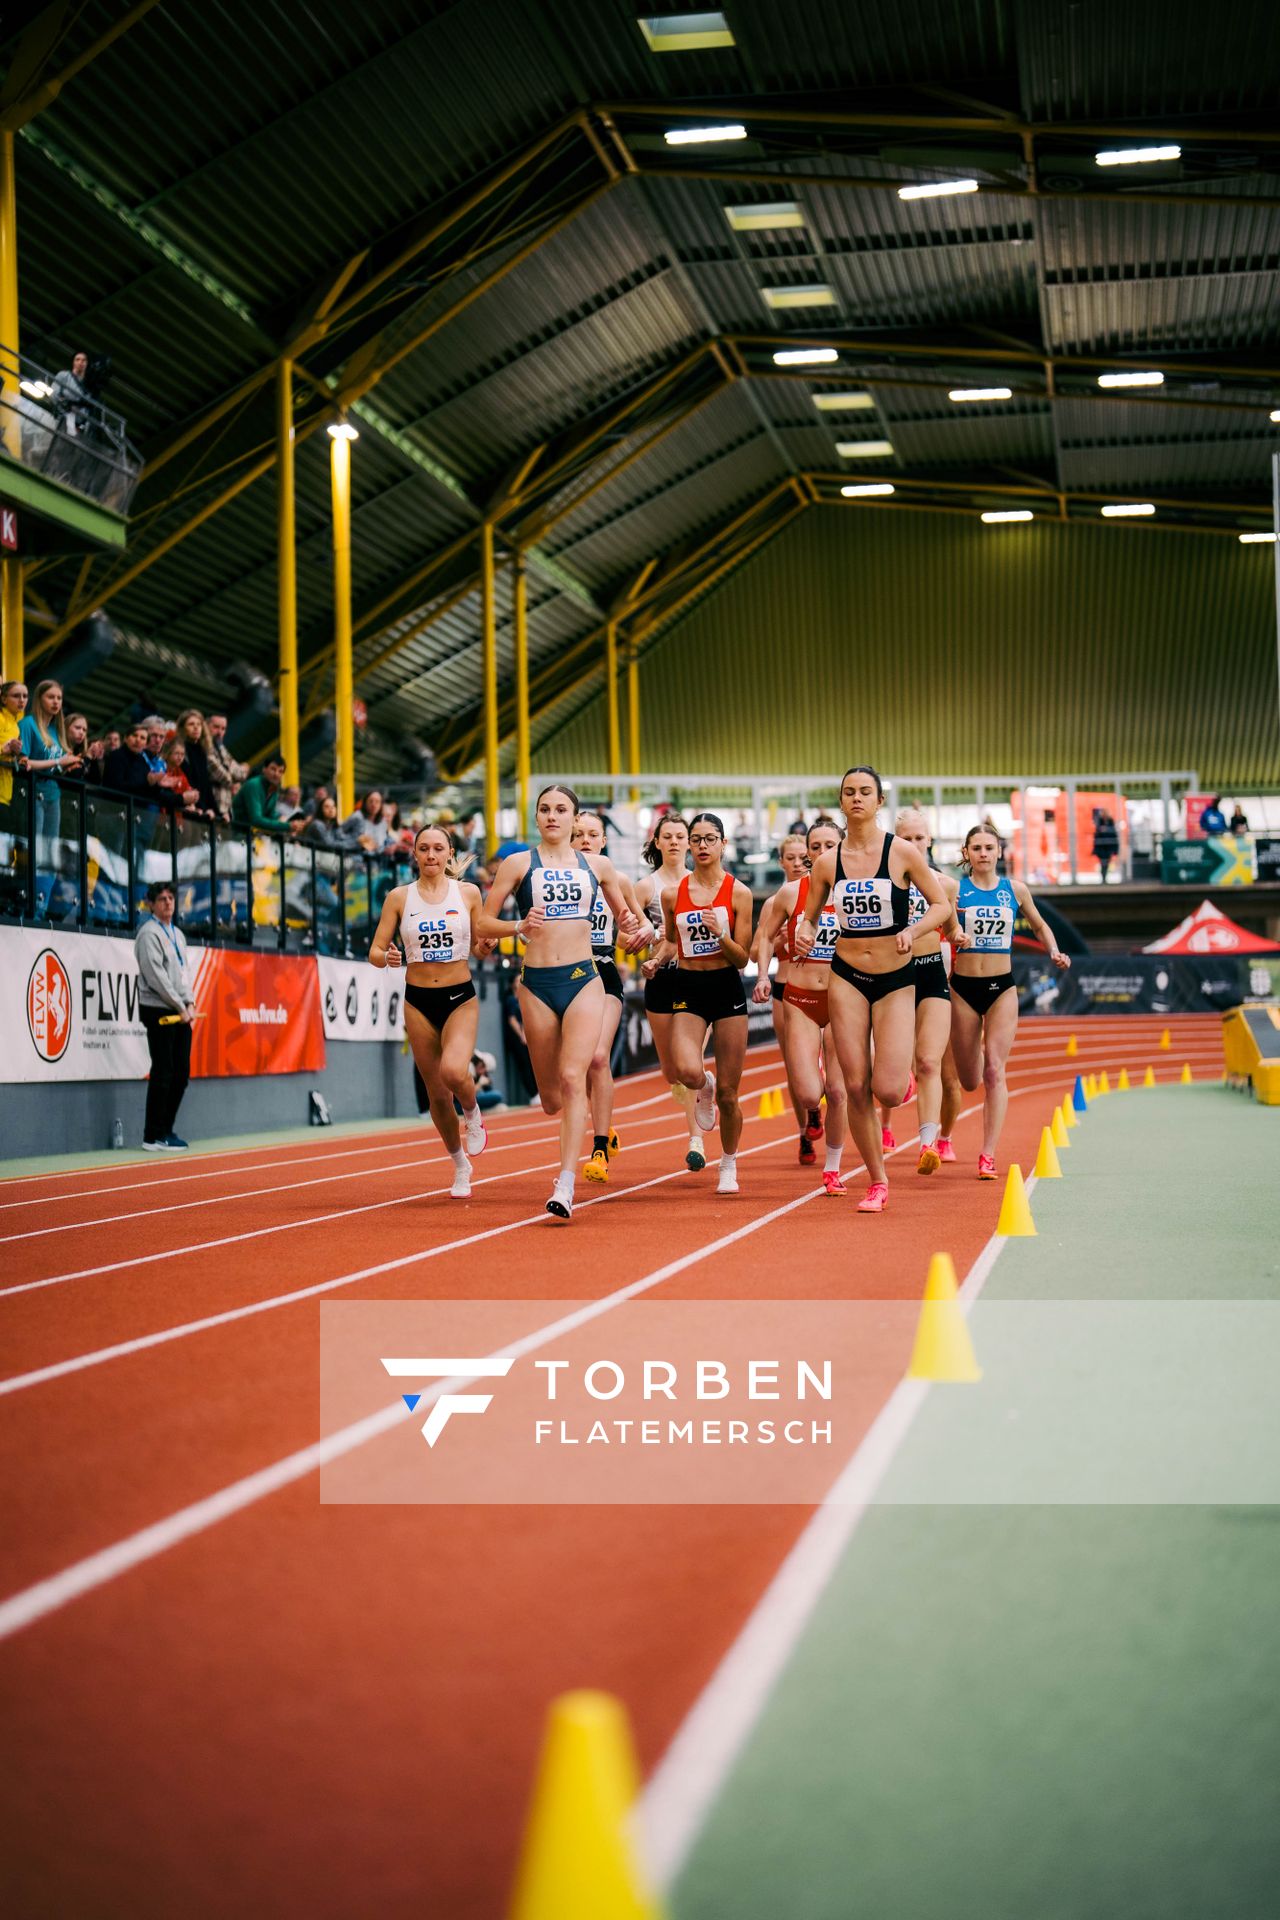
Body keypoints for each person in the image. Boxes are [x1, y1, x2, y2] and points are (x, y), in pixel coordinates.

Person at [478, 783, 641, 1220]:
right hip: (535, 984)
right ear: (537, 818)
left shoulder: (599, 865)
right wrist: (516, 928)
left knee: (575, 1077)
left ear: (574, 817)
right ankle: (564, 1131)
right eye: (545, 809)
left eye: (561, 809)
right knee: (551, 1096)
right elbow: (482, 919)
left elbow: (628, 919)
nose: (553, 815)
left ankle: (566, 1184)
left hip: (583, 978)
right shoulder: (518, 864)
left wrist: (634, 926)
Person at [795, 766, 951, 1214]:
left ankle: (896, 1073)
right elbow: (809, 915)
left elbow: (940, 904)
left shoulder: (901, 853)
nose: (857, 798)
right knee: (854, 1083)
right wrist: (806, 932)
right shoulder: (828, 862)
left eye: (866, 792)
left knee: (886, 1089)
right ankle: (877, 1181)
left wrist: (914, 929)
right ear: (841, 801)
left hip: (895, 978)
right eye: (849, 792)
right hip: (846, 975)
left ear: (879, 800)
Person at [369, 823, 489, 1198]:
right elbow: (374, 950)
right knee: (436, 1093)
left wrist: (489, 945)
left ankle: (472, 1113)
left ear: (450, 853)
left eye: (439, 848)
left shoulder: (467, 893)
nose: (432, 855)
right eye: (424, 849)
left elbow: (482, 939)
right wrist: (386, 956)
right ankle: (460, 1167)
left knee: (454, 1070)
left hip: (459, 996)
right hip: (417, 1000)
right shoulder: (399, 898)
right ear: (415, 854)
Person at [950, 823, 1070, 1180]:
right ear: (967, 853)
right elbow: (939, 923)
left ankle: (988, 1154)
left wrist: (1053, 950)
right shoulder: (956, 891)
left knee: (994, 1070)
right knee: (970, 1079)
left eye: (989, 847)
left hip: (1002, 987)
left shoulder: (1014, 891)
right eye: (977, 848)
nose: (983, 853)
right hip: (963, 989)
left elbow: (1039, 925)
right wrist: (952, 932)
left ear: (1000, 851)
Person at [645, 811, 754, 1197]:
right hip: (688, 984)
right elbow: (673, 942)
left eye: (710, 839)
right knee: (684, 1070)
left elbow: (743, 959)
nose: (703, 846)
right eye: (697, 839)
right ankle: (702, 1084)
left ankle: (728, 1163)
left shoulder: (739, 893)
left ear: (724, 844)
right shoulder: (673, 894)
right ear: (689, 846)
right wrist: (657, 959)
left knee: (730, 1093)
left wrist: (720, 935)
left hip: (726, 987)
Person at [753, 817, 849, 1194]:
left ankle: (834, 1167)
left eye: (830, 845)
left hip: (843, 998)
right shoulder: (791, 895)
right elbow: (763, 937)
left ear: (842, 847)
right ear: (807, 854)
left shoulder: (853, 894)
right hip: (799, 997)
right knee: (811, 1093)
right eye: (816, 847)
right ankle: (811, 1116)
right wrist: (763, 974)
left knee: (839, 1092)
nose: (822, 853)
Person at [876, 808, 965, 1175]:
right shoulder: (885, 882)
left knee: (930, 1061)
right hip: (894, 976)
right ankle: (895, 1103)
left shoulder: (945, 885)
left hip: (931, 976)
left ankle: (927, 1143)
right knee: (894, 1074)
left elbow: (953, 927)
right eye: (906, 838)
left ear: (929, 840)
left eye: (919, 838)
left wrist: (959, 935)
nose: (913, 844)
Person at [572, 808, 644, 1185]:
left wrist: (636, 934)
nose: (585, 840)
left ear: (603, 840)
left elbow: (640, 924)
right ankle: (606, 1123)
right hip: (564, 973)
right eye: (578, 834)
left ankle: (600, 1147)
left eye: (592, 834)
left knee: (599, 1057)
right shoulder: (557, 881)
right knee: (577, 1066)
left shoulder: (616, 879)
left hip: (603, 969)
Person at [635, 813, 705, 1170]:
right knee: (670, 1071)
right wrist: (644, 937)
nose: (676, 842)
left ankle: (696, 1139)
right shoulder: (646, 887)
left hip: (694, 978)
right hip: (659, 979)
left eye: (682, 836)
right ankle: (694, 1084)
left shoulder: (702, 884)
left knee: (690, 1061)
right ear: (658, 842)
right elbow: (622, 934)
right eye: (669, 836)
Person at [751, 833, 813, 1160]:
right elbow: (753, 950)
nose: (799, 862)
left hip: (824, 984)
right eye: (791, 857)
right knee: (795, 1065)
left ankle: (820, 1107)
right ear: (781, 862)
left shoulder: (826, 893)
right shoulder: (776, 902)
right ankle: (805, 1130)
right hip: (786, 986)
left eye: (804, 856)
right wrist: (777, 945)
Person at [134, 879, 196, 1151]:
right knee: (164, 1070)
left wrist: (190, 1003)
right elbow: (156, 976)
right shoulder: (149, 933)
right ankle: (153, 1133)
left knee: (181, 1072)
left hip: (180, 1011)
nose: (168, 902)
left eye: (171, 898)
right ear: (151, 904)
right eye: (162, 899)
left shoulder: (177, 934)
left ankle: (166, 1130)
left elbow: (184, 975)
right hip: (158, 1009)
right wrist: (180, 1006)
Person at [18, 678, 82, 912]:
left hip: (53, 796)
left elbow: (54, 765)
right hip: (33, 794)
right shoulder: (28, 725)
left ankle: (42, 906)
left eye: (59, 698)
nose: (56, 702)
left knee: (50, 855)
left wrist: (68, 765)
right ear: (39, 699)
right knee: (34, 850)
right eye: (51, 697)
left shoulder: (56, 732)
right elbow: (23, 763)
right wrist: (58, 761)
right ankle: (29, 904)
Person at [206, 714, 247, 821]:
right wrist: (230, 771)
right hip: (210, 808)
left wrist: (226, 767)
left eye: (223, 729)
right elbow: (225, 777)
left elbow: (242, 774)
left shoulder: (223, 749)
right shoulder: (205, 747)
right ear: (206, 726)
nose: (220, 732)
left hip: (226, 811)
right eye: (216, 727)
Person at [174, 710, 215, 816]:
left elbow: (205, 784)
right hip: (186, 808)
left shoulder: (202, 751)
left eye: (199, 724)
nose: (196, 727)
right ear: (183, 728)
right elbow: (188, 780)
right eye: (191, 724)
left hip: (202, 810)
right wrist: (199, 806)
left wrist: (211, 809)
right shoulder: (179, 750)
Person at [232, 755, 284, 829]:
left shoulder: (274, 791)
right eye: (273, 769)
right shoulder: (254, 785)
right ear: (264, 769)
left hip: (249, 834)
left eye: (280, 771)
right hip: (235, 832)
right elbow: (256, 819)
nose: (276, 774)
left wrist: (280, 819)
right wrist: (286, 826)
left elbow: (270, 815)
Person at [1091, 807, 1120, 884]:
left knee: (1106, 862)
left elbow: (1113, 833)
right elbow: (1097, 832)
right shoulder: (1100, 821)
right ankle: (1103, 877)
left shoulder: (1110, 821)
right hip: (1101, 846)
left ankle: (1104, 877)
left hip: (1108, 846)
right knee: (1102, 862)